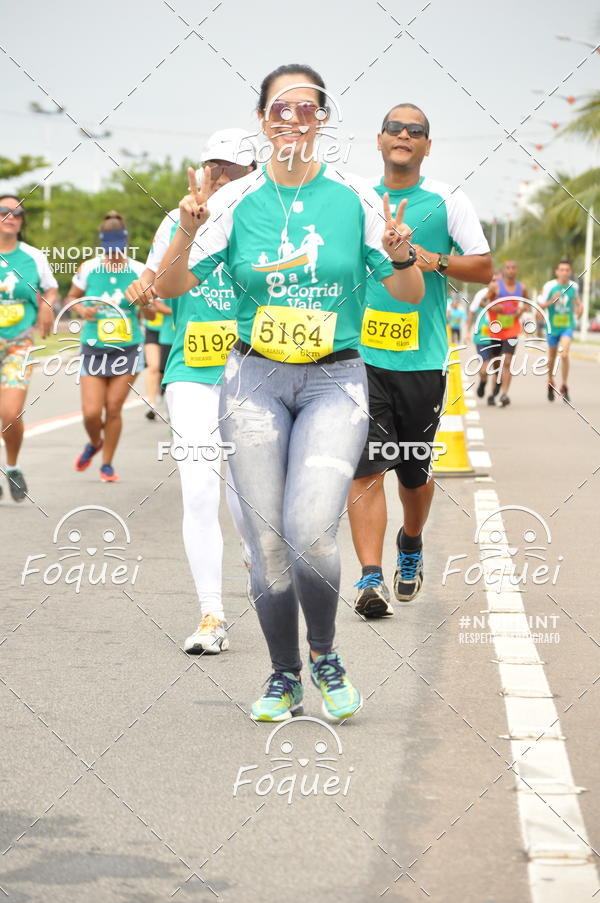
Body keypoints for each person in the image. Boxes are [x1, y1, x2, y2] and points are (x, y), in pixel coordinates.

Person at [154, 65, 424, 722]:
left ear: (323, 120)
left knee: (309, 530)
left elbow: (408, 295)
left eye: (310, 108)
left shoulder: (355, 198)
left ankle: (326, 655)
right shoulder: (232, 201)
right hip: (254, 379)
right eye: (283, 107)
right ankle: (284, 674)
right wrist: (187, 228)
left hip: (336, 378)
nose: (296, 119)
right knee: (270, 540)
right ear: (263, 119)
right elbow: (170, 286)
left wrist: (400, 255)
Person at [348, 103, 492, 619]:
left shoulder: (448, 200)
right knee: (365, 467)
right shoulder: (358, 200)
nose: (404, 135)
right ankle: (370, 577)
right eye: (395, 127)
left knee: (413, 473)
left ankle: (410, 541)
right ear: (379, 139)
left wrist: (431, 259)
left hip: (423, 361)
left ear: (427, 146)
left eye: (416, 130)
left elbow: (483, 267)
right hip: (361, 358)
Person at [125, 129, 255, 655]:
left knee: (249, 495)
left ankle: (256, 557)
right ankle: (211, 613)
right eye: (212, 166)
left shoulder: (267, 221)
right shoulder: (176, 220)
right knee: (200, 488)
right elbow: (152, 285)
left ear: (253, 173)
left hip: (256, 370)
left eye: (231, 168)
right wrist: (142, 289)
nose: (219, 177)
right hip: (192, 370)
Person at [65, 211, 145, 482]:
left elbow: (149, 306)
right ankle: (94, 442)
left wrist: (144, 301)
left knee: (113, 408)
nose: (114, 254)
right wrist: (82, 309)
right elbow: (72, 297)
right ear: (101, 244)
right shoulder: (88, 268)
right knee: (91, 413)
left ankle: (107, 464)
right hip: (94, 346)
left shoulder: (138, 269)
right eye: (108, 249)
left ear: (126, 242)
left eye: (118, 248)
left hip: (128, 347)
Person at [0, 195, 57, 500]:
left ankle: (12, 466)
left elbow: (50, 287)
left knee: (10, 413)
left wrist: (47, 305)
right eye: (4, 210)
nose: (11, 216)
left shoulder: (33, 256)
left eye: (18, 212)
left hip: (18, 343)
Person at [482, 260, 528, 407]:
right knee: (496, 363)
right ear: (504, 270)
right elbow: (482, 302)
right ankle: (495, 387)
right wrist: (494, 307)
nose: (510, 270)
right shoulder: (495, 286)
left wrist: (522, 310)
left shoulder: (522, 288)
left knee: (507, 361)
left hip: (512, 330)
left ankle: (504, 394)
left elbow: (527, 304)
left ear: (517, 270)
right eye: (508, 268)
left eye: (513, 268)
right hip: (496, 330)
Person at [540, 259, 581, 402]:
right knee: (551, 358)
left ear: (570, 272)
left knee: (564, 354)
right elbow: (540, 306)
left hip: (567, 325)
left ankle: (564, 385)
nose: (564, 272)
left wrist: (580, 309)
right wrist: (551, 300)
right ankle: (550, 381)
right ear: (557, 272)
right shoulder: (549, 286)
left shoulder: (574, 287)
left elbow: (577, 302)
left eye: (567, 270)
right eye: (561, 270)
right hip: (552, 327)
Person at [467, 272, 500, 398]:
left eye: (498, 281)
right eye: (493, 280)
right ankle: (483, 381)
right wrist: (468, 330)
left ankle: (493, 395)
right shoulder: (481, 294)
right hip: (483, 335)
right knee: (484, 367)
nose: (495, 283)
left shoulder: (504, 295)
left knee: (498, 366)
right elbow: (472, 311)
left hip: (499, 335)